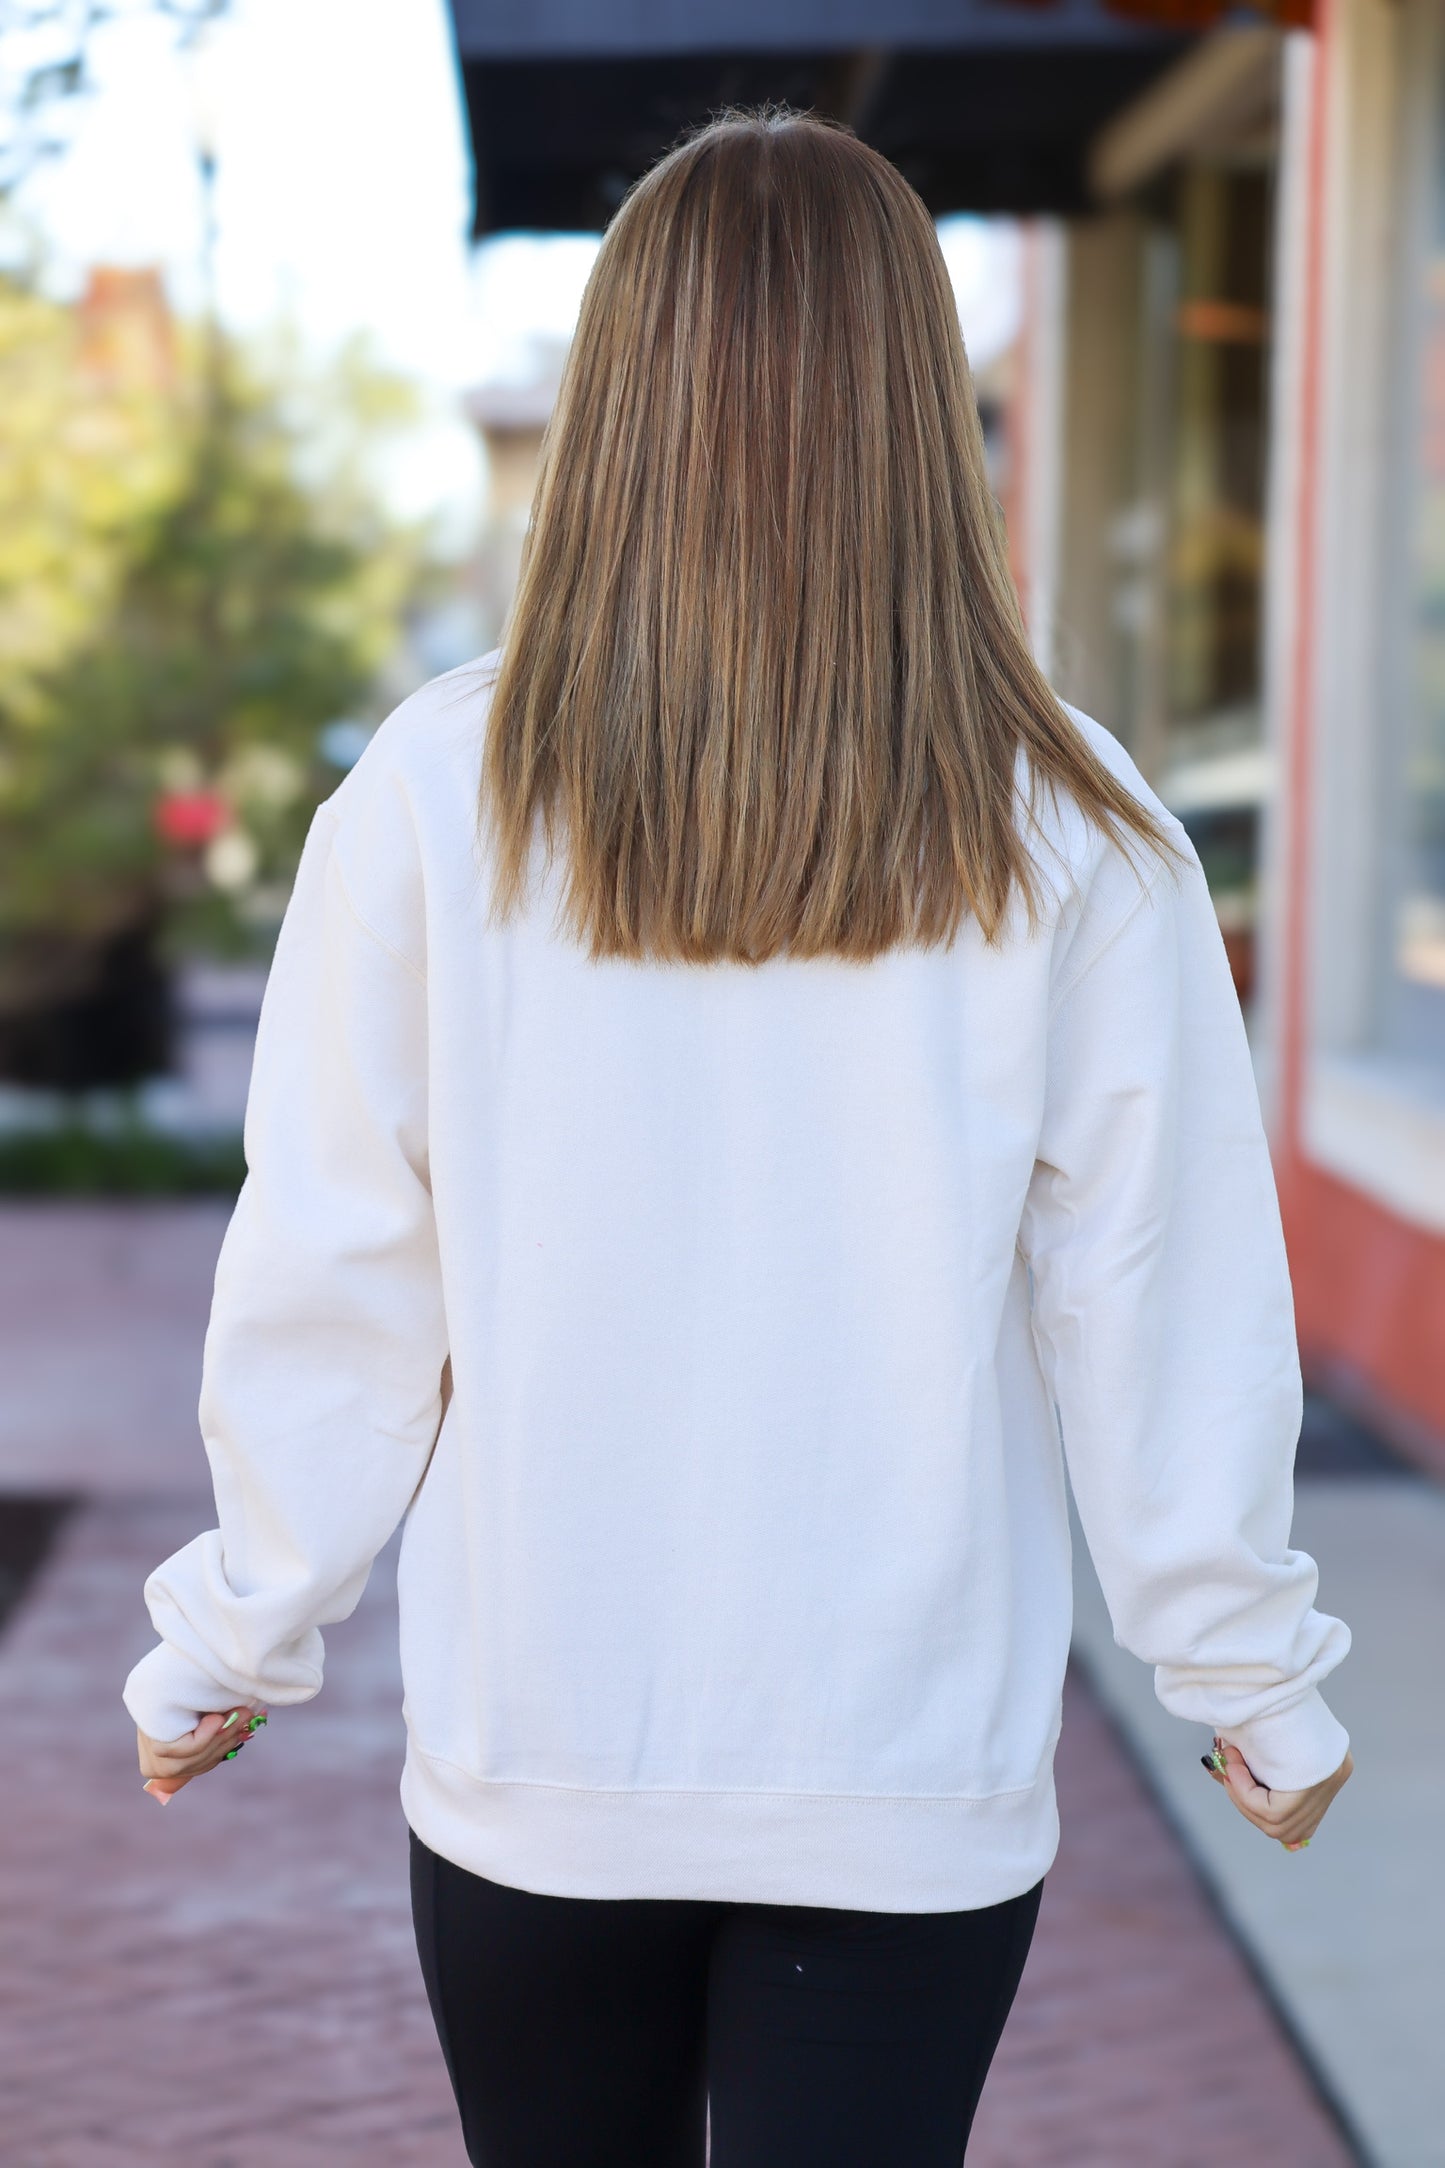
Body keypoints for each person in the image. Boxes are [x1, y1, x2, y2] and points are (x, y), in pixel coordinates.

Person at [122, 108, 1353, 2168]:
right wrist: (1246, 1670)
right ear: (917, 413)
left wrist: (238, 1626)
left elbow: (341, 1263)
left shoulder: (437, 793)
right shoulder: (1084, 830)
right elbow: (1160, 1292)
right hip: (907, 1771)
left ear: (614, 401)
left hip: (541, 1753)